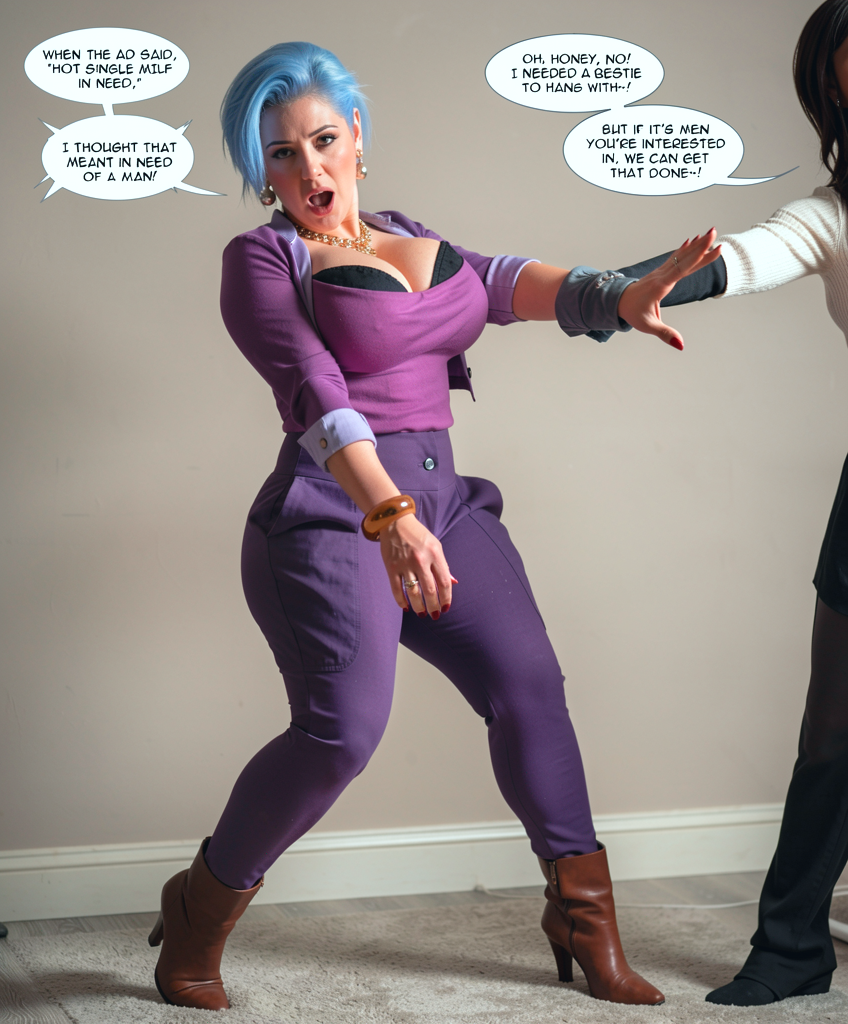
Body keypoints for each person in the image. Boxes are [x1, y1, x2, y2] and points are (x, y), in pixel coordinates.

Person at [145, 41, 719, 1011]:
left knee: (529, 684)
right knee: (342, 733)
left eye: (323, 141)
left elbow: (502, 283)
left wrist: (614, 299)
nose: (309, 168)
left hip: (443, 499)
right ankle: (197, 913)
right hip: (335, 514)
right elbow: (314, 393)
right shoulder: (263, 259)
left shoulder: (409, 233)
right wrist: (390, 517)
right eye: (281, 153)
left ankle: (583, 921)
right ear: (262, 171)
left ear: (356, 138)